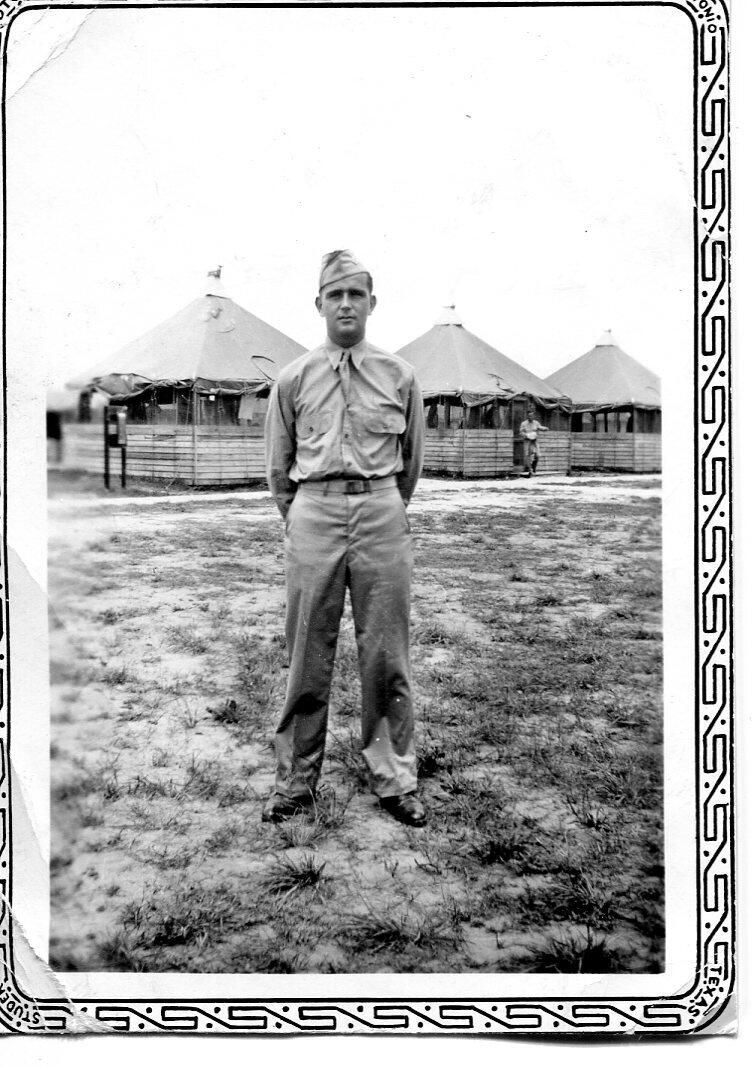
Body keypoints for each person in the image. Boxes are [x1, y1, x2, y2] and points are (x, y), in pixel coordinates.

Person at [263, 250, 426, 827]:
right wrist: (307, 513)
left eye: (356, 294)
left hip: (381, 509)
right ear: (319, 305)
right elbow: (279, 466)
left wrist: (380, 504)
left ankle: (394, 778)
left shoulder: (400, 376)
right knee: (307, 651)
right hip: (314, 512)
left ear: (372, 303)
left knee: (386, 652)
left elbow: (410, 464)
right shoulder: (293, 378)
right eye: (335, 295)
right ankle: (295, 781)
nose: (346, 304)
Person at [519, 405, 548, 476]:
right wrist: (526, 435)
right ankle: (530, 470)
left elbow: (540, 427)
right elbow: (521, 432)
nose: (530, 417)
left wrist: (545, 428)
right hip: (527, 441)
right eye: (529, 416)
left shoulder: (536, 423)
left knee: (537, 455)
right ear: (527, 416)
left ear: (533, 416)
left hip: (534, 441)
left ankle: (533, 467)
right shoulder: (524, 424)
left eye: (531, 416)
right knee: (527, 455)